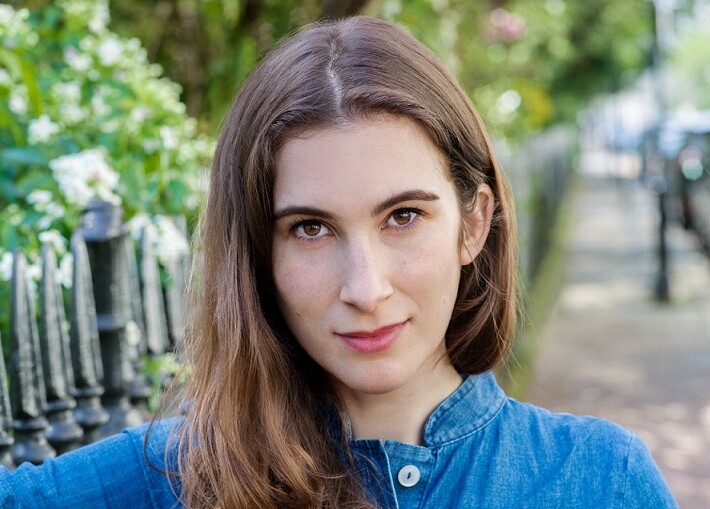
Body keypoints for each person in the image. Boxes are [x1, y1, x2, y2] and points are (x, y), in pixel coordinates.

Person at [1, 16, 677, 509]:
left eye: (403, 216)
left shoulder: (599, 479)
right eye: (312, 228)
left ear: (473, 223)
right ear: (258, 253)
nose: (366, 287)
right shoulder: (172, 477)